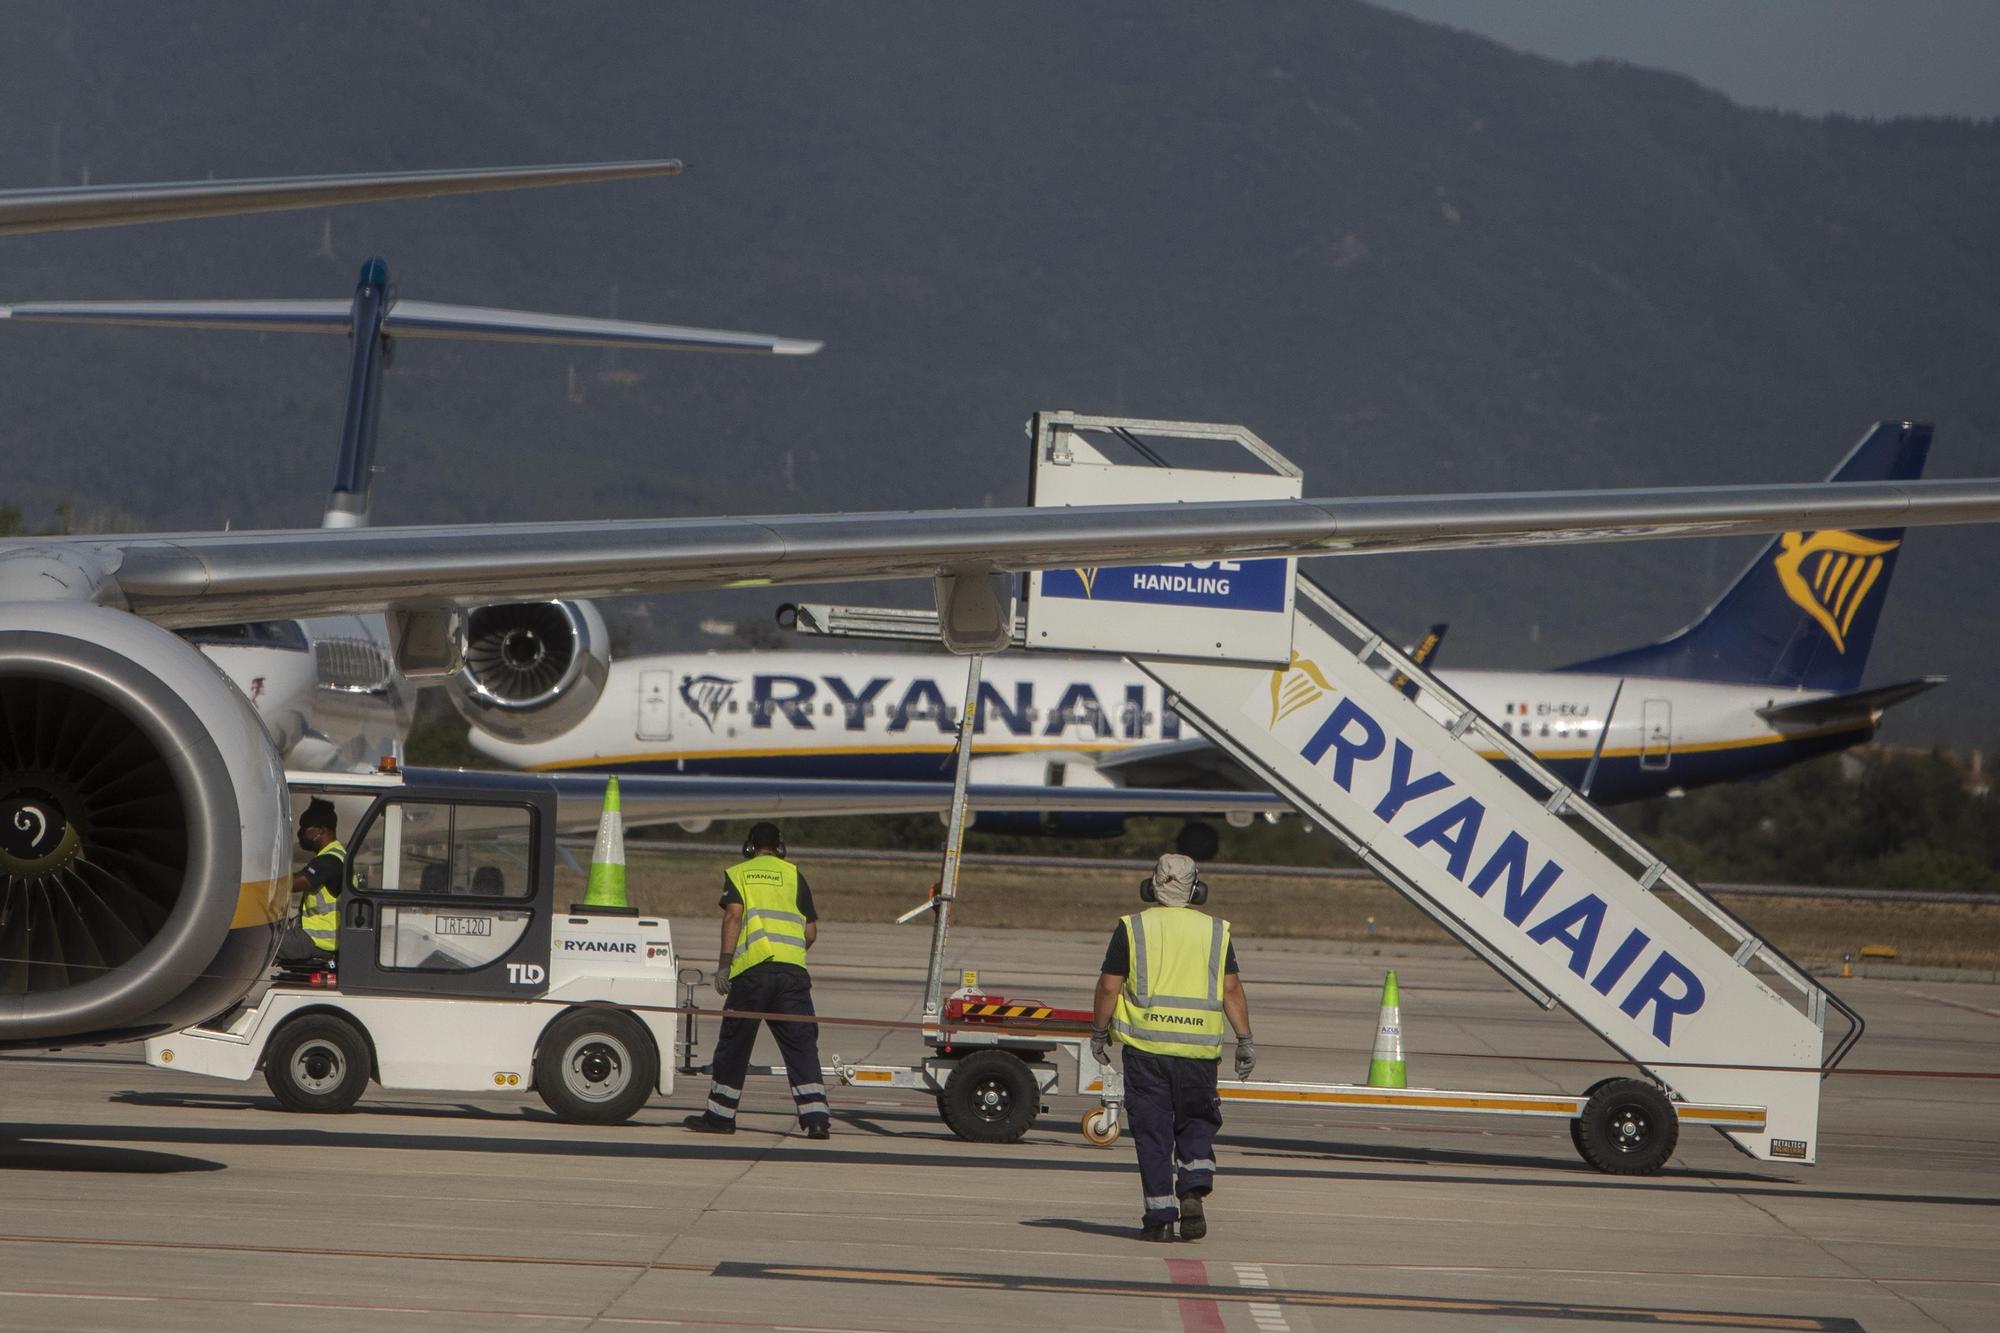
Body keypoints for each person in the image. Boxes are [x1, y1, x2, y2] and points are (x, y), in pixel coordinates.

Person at [1090, 852, 1254, 1242]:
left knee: (1153, 1134)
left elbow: (1109, 986)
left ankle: (1160, 1218)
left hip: (1147, 1052)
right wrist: (1244, 1038)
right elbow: (1230, 989)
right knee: (1196, 1123)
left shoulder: (1133, 928)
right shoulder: (1215, 931)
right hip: (1199, 1055)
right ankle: (1194, 1188)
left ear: (1152, 886)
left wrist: (1099, 1031)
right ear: (1197, 890)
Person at [683, 821, 831, 1138]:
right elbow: (810, 932)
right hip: (792, 974)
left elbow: (733, 915)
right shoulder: (795, 875)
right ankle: (816, 1117)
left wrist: (724, 964)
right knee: (802, 1045)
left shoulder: (740, 873)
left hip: (753, 974)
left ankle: (720, 1116)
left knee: (735, 1044)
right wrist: (788, 953)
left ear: (750, 846)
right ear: (780, 845)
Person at [278, 798, 348, 961]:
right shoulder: (336, 855)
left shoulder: (330, 860)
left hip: (320, 940)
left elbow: (295, 883)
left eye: (305, 827)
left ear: (321, 831)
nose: (300, 833)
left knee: (262, 943)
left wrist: (263, 881)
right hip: (320, 937)